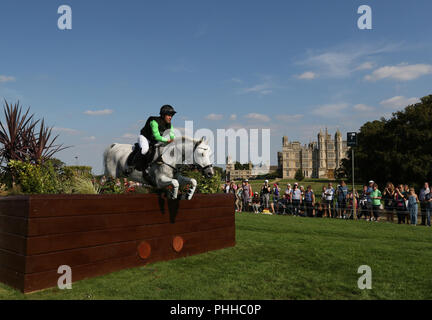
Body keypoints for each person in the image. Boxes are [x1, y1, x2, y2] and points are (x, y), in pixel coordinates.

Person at [127, 105, 176, 177]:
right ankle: (132, 166)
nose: (170, 117)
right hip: (145, 138)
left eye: (171, 115)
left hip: (154, 140)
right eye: (169, 115)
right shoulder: (154, 121)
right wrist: (167, 140)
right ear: (163, 115)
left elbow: (172, 135)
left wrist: (174, 140)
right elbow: (157, 136)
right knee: (145, 150)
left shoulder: (169, 125)